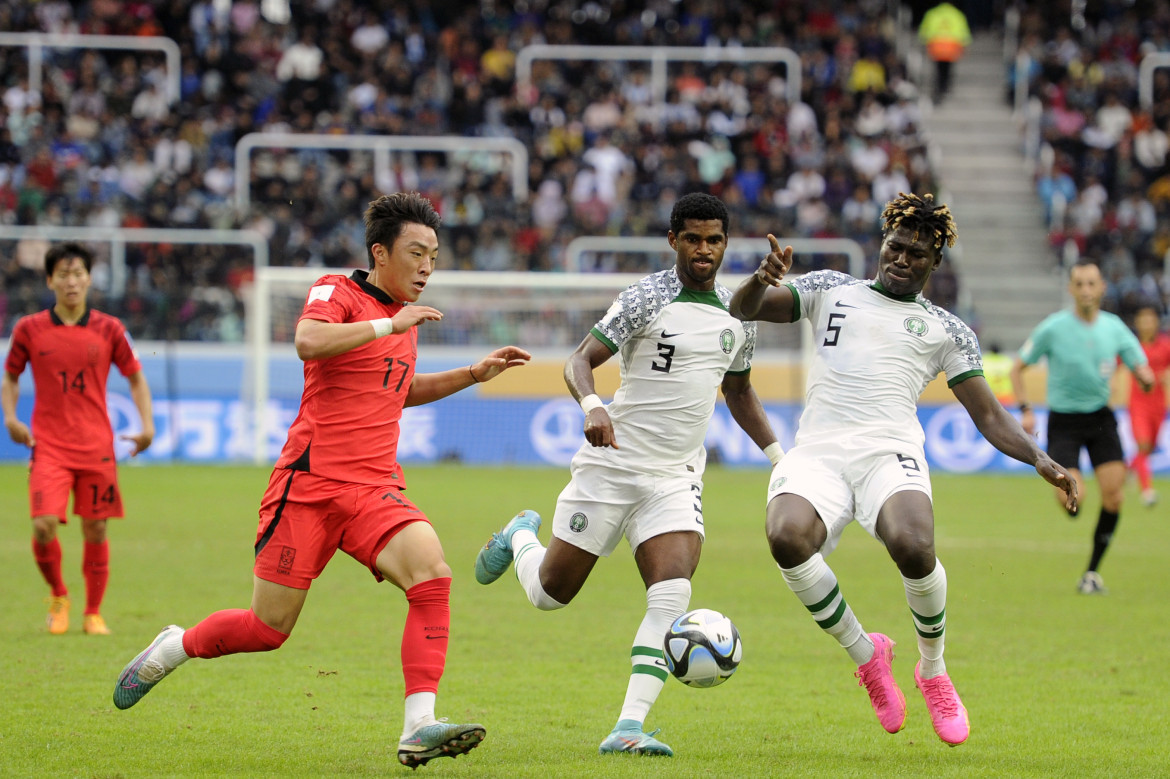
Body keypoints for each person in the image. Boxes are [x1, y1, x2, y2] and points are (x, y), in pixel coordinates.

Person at [110, 193, 532, 769]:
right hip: (306, 488)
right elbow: (308, 341)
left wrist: (471, 373)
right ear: (380, 253)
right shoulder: (339, 291)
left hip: (375, 488)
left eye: (434, 255)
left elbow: (396, 391)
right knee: (267, 628)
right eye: (417, 253)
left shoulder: (405, 317)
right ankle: (175, 646)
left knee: (432, 575)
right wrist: (389, 322)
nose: (428, 267)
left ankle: (419, 726)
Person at [729, 193, 1077, 747]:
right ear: (881, 245)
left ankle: (933, 670)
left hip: (889, 451)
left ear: (934, 263)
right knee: (786, 536)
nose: (902, 258)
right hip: (818, 451)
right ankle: (869, 657)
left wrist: (1042, 459)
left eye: (917, 253)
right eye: (895, 246)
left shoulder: (945, 329)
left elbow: (987, 413)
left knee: (914, 544)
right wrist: (762, 277)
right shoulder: (828, 289)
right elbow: (744, 308)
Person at [472, 192, 782, 758]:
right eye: (692, 238)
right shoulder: (646, 298)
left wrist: (780, 457)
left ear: (725, 242)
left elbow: (738, 391)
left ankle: (628, 727)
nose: (704, 249)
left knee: (671, 594)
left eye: (714, 239)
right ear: (673, 240)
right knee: (549, 596)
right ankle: (520, 536)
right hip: (612, 464)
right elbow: (578, 361)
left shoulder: (738, 315)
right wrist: (593, 406)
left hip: (676, 477)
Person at [2, 242, 155, 636]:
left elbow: (135, 378)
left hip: (96, 447)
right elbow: (12, 376)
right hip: (49, 445)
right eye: (63, 275)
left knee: (96, 529)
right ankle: (58, 594)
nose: (72, 282)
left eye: (78, 274)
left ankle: (92, 612)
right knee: (42, 525)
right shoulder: (28, 329)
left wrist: (147, 426)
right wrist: (11, 418)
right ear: (50, 279)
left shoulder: (110, 329)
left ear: (89, 279)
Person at [1010, 262, 1154, 595]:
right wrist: (1027, 410)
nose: (1086, 290)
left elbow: (1140, 366)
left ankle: (1091, 572)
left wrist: (1145, 380)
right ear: (1071, 289)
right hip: (1064, 422)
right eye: (1079, 284)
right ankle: (1073, 508)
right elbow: (1018, 368)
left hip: (1102, 420)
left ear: (1102, 287)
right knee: (1075, 497)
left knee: (1115, 497)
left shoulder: (1115, 328)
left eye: (1091, 283)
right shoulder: (1054, 328)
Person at [1127, 305, 1170, 507]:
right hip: (1138, 404)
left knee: (1149, 448)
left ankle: (1127, 469)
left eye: (1150, 319)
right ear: (1137, 323)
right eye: (1143, 319)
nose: (1147, 324)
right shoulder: (1131, 346)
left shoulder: (1165, 345)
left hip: (1158, 405)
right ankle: (1147, 491)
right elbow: (1114, 364)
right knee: (1143, 444)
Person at [918, 2, 971, 102]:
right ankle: (945, 86)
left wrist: (924, 44)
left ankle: (939, 86)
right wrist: (965, 46)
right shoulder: (957, 14)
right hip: (951, 47)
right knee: (947, 68)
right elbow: (964, 32)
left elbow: (924, 31)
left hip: (936, 46)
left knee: (939, 68)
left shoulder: (932, 13)